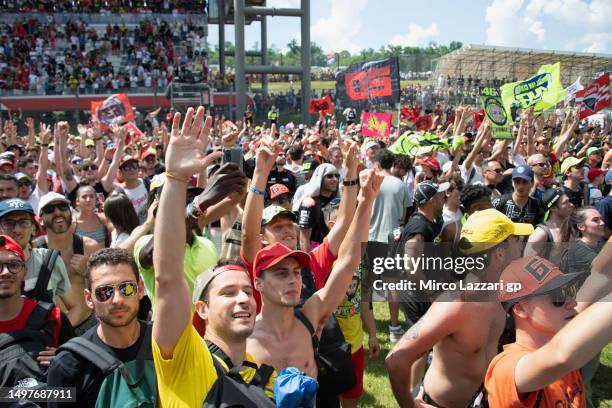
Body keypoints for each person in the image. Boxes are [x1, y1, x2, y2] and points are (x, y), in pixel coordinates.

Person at [151, 107, 274, 407]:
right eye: (228, 293)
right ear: (202, 309)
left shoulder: (266, 378)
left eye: (247, 291)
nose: (243, 299)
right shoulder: (185, 356)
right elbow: (167, 278)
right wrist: (176, 179)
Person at [386, 209, 533, 407]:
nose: (521, 245)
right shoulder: (456, 304)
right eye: (515, 239)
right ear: (499, 253)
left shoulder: (498, 293)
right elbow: (396, 360)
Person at [246, 166, 383, 378]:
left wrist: (366, 201)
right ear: (258, 283)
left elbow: (347, 263)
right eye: (281, 273)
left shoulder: (310, 318)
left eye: (296, 272)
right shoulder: (242, 336)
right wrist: (260, 173)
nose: (293, 279)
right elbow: (248, 235)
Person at [485, 247, 612, 408]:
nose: (572, 303)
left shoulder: (561, 329)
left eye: (570, 291)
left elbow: (602, 275)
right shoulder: (506, 366)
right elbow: (561, 356)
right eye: (558, 296)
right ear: (521, 308)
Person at [47, 248, 154, 408]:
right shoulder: (69, 365)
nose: (117, 300)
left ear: (139, 290)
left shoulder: (164, 342)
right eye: (104, 292)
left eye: (127, 288)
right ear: (89, 299)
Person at [0, 234, 74, 388]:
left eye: (13, 265)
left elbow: (73, 391)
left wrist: (64, 363)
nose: (6, 272)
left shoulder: (53, 317)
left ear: (25, 271)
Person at [34, 193, 103, 335]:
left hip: (89, 326)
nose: (57, 212)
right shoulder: (35, 251)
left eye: (62, 207)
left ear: (70, 212)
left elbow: (106, 287)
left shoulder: (89, 246)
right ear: (41, 219)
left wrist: (88, 273)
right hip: (53, 331)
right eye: (49, 209)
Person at [368, 149, 411, 342]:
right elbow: (403, 216)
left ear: (376, 164)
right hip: (391, 239)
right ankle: (394, 328)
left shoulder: (369, 181)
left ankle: (368, 328)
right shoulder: (399, 185)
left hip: (368, 238)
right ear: (392, 164)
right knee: (393, 284)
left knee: (365, 285)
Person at [297, 163, 341, 251]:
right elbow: (304, 239)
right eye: (329, 176)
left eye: (337, 176)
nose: (335, 179)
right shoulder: (309, 203)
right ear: (320, 178)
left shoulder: (339, 202)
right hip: (317, 254)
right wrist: (309, 263)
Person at [525, 188, 574, 260]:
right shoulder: (540, 234)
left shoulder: (569, 227)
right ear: (553, 208)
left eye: (569, 201)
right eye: (565, 203)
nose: (571, 205)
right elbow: (527, 264)